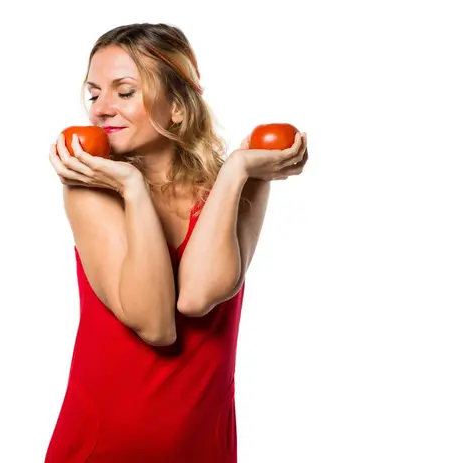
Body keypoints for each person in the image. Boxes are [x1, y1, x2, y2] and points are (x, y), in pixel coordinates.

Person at [46, 22, 308, 463]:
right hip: (102, 449)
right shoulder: (90, 189)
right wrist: (131, 185)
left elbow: (198, 296)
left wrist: (237, 171)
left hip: (204, 449)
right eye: (94, 93)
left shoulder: (231, 183)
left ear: (178, 108)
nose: (101, 109)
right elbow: (155, 324)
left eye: (124, 92)